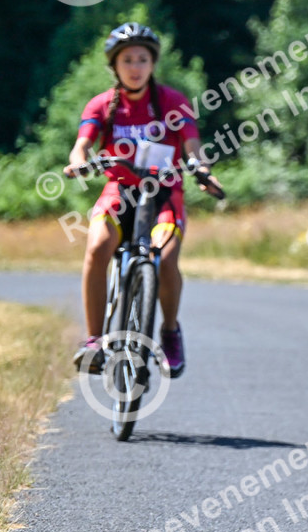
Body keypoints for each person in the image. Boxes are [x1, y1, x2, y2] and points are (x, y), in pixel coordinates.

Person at [64, 23, 223, 378]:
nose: (135, 67)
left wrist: (203, 171)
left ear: (153, 64)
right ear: (114, 65)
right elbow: (82, 144)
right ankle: (94, 341)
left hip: (164, 195)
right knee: (97, 248)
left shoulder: (173, 102)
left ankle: (169, 332)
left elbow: (193, 147)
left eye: (142, 59)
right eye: (127, 60)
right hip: (120, 192)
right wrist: (78, 162)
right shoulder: (102, 104)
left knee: (166, 259)